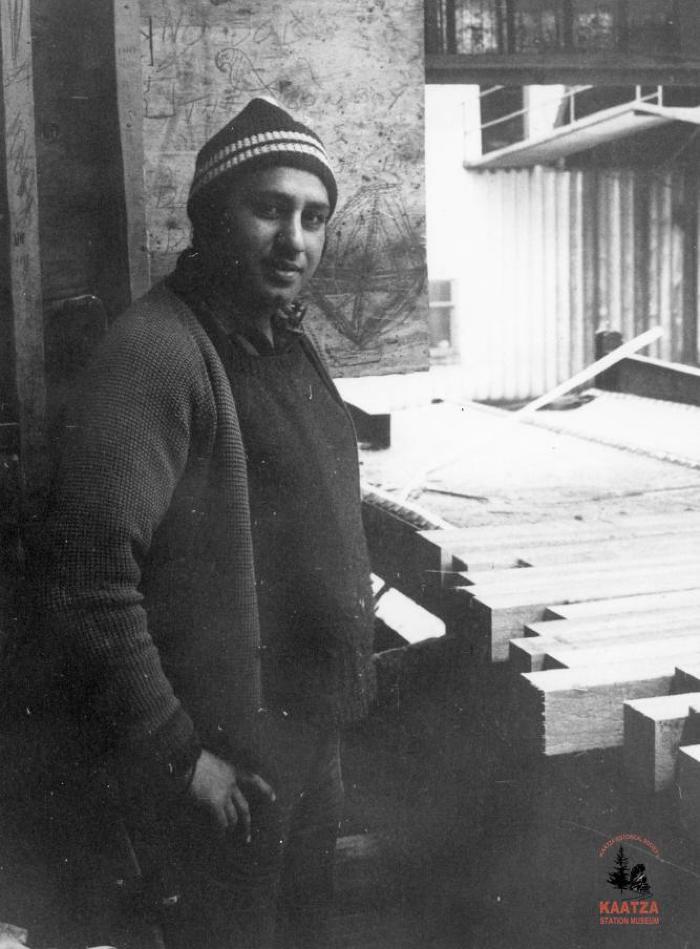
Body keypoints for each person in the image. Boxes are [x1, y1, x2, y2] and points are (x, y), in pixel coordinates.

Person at [4, 98, 380, 949]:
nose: (295, 240)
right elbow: (85, 572)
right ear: (213, 217)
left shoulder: (284, 339)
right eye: (269, 208)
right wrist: (181, 758)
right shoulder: (159, 352)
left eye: (313, 217)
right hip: (226, 764)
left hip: (306, 742)